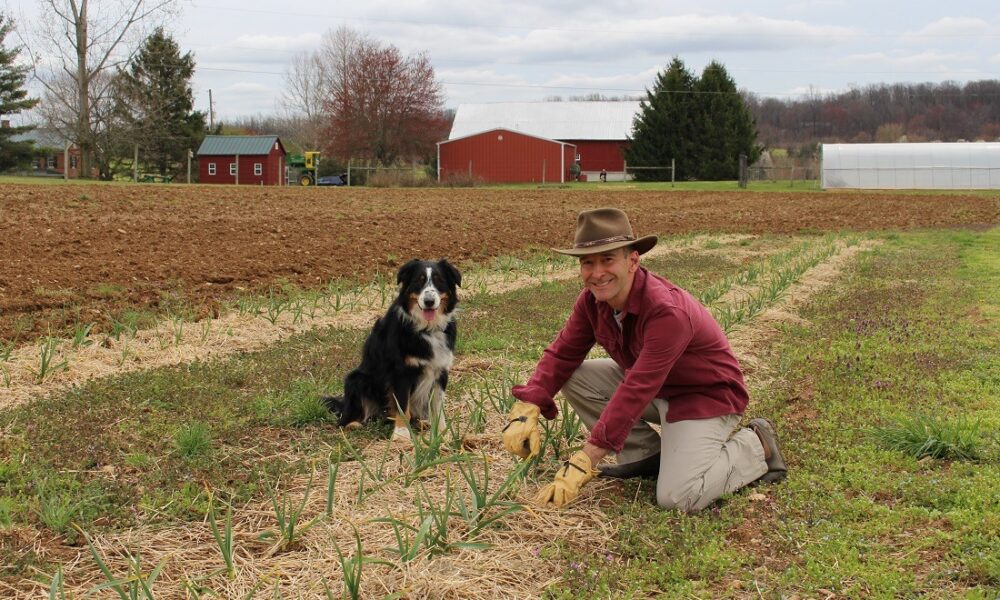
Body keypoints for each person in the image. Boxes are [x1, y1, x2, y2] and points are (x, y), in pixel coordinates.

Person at [501, 208, 786, 512]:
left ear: (633, 260)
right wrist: (528, 406)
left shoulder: (666, 312)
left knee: (678, 497)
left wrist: (585, 460)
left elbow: (638, 388)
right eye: (588, 262)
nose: (597, 273)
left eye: (607, 259)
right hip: (658, 388)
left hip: (702, 396)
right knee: (574, 374)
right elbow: (562, 353)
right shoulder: (591, 302)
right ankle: (645, 455)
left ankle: (756, 444)